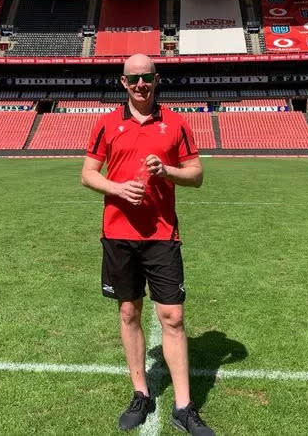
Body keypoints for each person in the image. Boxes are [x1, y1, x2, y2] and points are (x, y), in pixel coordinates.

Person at [81, 53, 214, 435]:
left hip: (161, 234)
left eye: (147, 78)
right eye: (134, 79)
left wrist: (167, 170)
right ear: (123, 83)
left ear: (157, 80)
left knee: (172, 316)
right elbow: (88, 174)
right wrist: (118, 188)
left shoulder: (176, 124)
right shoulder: (107, 124)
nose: (141, 85)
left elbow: (197, 175)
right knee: (128, 312)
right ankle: (140, 392)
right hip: (118, 234)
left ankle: (184, 406)